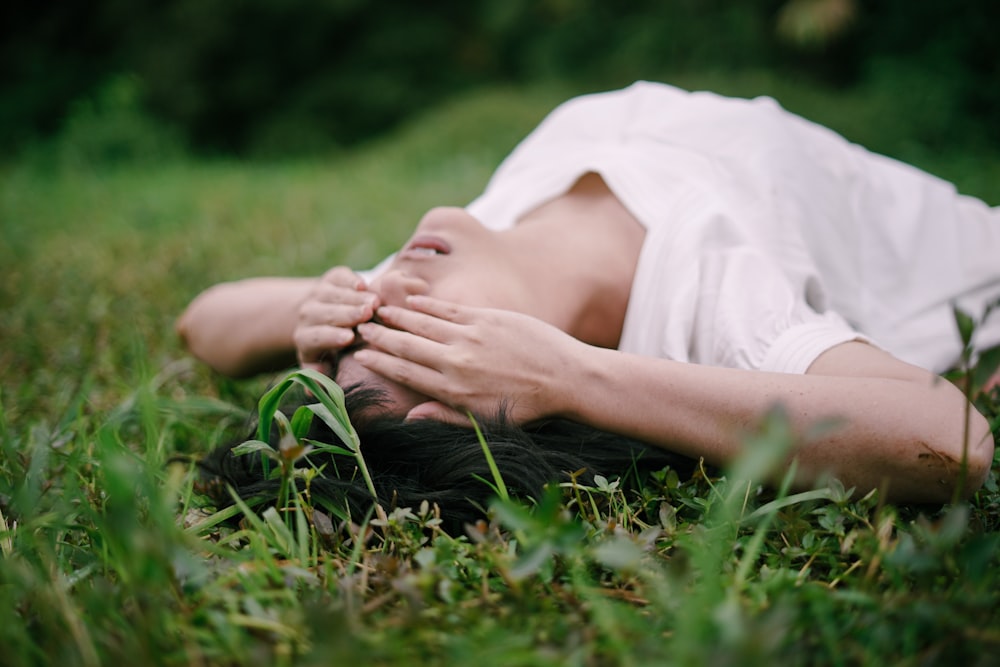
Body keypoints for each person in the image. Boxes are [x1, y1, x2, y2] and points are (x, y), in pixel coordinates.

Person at [179, 81, 1000, 509]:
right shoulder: (703, 291)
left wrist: (307, 315)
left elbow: (203, 323)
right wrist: (576, 379)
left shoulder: (456, 255)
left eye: (352, 333)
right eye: (404, 339)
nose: (379, 292)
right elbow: (955, 443)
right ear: (497, 374)